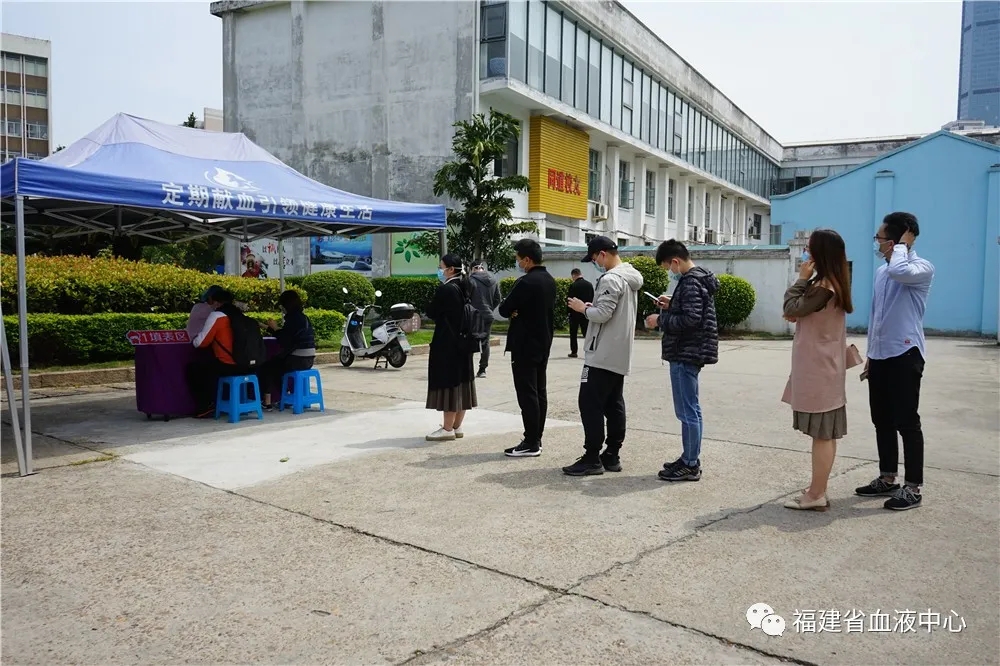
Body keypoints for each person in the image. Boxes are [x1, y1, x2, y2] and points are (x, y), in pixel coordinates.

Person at [855, 212, 934, 511]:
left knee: (907, 422)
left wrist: (902, 245)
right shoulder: (881, 272)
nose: (876, 242)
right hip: (881, 355)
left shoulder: (921, 268)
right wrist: (871, 354)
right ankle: (887, 477)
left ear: (896, 240)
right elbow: (877, 315)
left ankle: (912, 488)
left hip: (906, 354)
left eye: (880, 237)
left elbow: (900, 271)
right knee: (882, 420)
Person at [780, 229, 854, 510]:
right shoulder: (830, 283)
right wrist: (799, 308)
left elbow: (791, 307)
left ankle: (816, 494)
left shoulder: (824, 286)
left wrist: (801, 280)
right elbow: (797, 310)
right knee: (825, 434)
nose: (806, 254)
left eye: (810, 249)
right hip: (826, 366)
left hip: (820, 369)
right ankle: (818, 489)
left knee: (822, 435)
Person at [563, 236, 643, 476]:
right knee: (613, 403)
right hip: (618, 352)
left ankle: (591, 457)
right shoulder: (629, 277)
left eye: (594, 259)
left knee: (589, 403)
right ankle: (612, 453)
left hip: (601, 353)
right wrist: (592, 307)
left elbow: (603, 314)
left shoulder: (611, 278)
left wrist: (583, 308)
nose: (595, 263)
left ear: (602, 254)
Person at [645, 240, 719, 482]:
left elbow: (691, 319)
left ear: (675, 261)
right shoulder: (699, 279)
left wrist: (660, 320)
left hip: (685, 352)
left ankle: (690, 463)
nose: (670, 271)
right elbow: (692, 312)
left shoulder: (690, 282)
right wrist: (672, 304)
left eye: (668, 267)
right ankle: (689, 458)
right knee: (691, 409)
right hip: (691, 351)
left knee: (687, 411)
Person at [498, 239, 557, 458]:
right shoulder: (549, 280)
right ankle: (536, 438)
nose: (518, 263)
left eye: (518, 259)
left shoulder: (525, 282)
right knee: (539, 391)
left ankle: (531, 441)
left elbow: (505, 309)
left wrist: (515, 310)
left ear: (527, 259)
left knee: (527, 394)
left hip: (524, 345)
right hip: (543, 342)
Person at [424, 254, 478, 441]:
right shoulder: (466, 287)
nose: (440, 270)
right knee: (463, 383)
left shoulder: (447, 289)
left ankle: (447, 429)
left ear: (450, 269)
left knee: (449, 384)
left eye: (441, 267)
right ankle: (456, 426)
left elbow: (432, 311)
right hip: (464, 343)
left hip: (448, 344)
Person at [187, 288, 250, 417]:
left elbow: (201, 343)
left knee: (195, 369)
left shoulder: (217, 316)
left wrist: (194, 340)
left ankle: (205, 406)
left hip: (229, 365)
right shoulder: (240, 315)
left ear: (214, 302)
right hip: (248, 365)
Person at [256, 289, 317, 409]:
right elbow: (287, 335)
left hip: (297, 359)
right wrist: (270, 328)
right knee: (276, 366)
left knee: (267, 367)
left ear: (286, 305)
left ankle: (269, 401)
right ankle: (285, 396)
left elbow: (284, 340)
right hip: (309, 359)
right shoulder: (303, 318)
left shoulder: (292, 319)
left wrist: (274, 328)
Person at [469, 260, 502, 378]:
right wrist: (489, 308)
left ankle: (468, 369)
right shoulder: (493, 280)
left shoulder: (471, 280)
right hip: (488, 315)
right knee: (485, 342)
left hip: (473, 315)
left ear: (473, 269)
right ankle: (482, 369)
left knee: (469, 341)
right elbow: (498, 298)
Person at [567, 268, 594, 358]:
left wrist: (568, 312)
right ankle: (589, 351)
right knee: (587, 332)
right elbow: (592, 298)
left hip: (574, 313)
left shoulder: (573, 285)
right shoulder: (589, 285)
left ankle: (574, 351)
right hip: (586, 312)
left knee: (573, 333)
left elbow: (570, 300)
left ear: (573, 275)